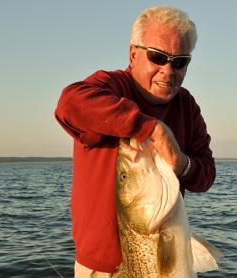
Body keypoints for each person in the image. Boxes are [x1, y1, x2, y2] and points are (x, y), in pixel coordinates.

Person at [55, 5, 216, 277]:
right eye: (158, 57)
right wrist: (149, 128)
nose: (168, 70)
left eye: (180, 61)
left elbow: (206, 174)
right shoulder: (110, 86)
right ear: (133, 54)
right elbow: (69, 104)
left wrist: (183, 166)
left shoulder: (187, 105)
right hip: (99, 270)